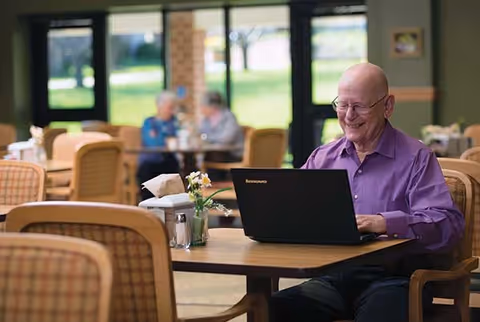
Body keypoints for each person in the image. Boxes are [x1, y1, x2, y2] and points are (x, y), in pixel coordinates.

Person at [269, 63, 465, 322]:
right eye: (342, 105)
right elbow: (292, 211)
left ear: (388, 106)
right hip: (331, 279)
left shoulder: (417, 158)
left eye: (359, 106)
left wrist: (385, 222)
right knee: (274, 309)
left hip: (395, 281)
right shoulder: (322, 158)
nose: (349, 116)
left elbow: (447, 225)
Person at [137, 91, 180, 201]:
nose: (172, 111)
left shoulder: (175, 122)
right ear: (159, 106)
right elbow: (153, 144)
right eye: (169, 107)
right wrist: (167, 139)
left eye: (173, 107)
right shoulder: (149, 122)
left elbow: (181, 140)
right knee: (148, 168)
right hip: (151, 161)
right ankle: (148, 206)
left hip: (169, 160)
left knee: (174, 164)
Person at [199, 91, 244, 180]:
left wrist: (208, 138)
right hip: (215, 153)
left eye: (203, 106)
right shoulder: (206, 119)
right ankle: (211, 186)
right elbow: (200, 134)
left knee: (212, 157)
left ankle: (217, 186)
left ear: (213, 106)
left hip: (232, 154)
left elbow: (227, 138)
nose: (201, 109)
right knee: (209, 157)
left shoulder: (228, 117)